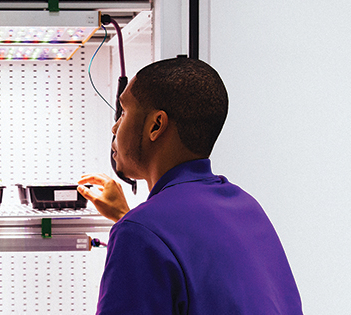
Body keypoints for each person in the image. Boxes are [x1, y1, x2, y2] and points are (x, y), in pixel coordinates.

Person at [77, 57, 302, 314]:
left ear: (156, 125)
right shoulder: (247, 208)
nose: (115, 126)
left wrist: (133, 225)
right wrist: (127, 217)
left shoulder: (140, 232)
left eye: (124, 112)